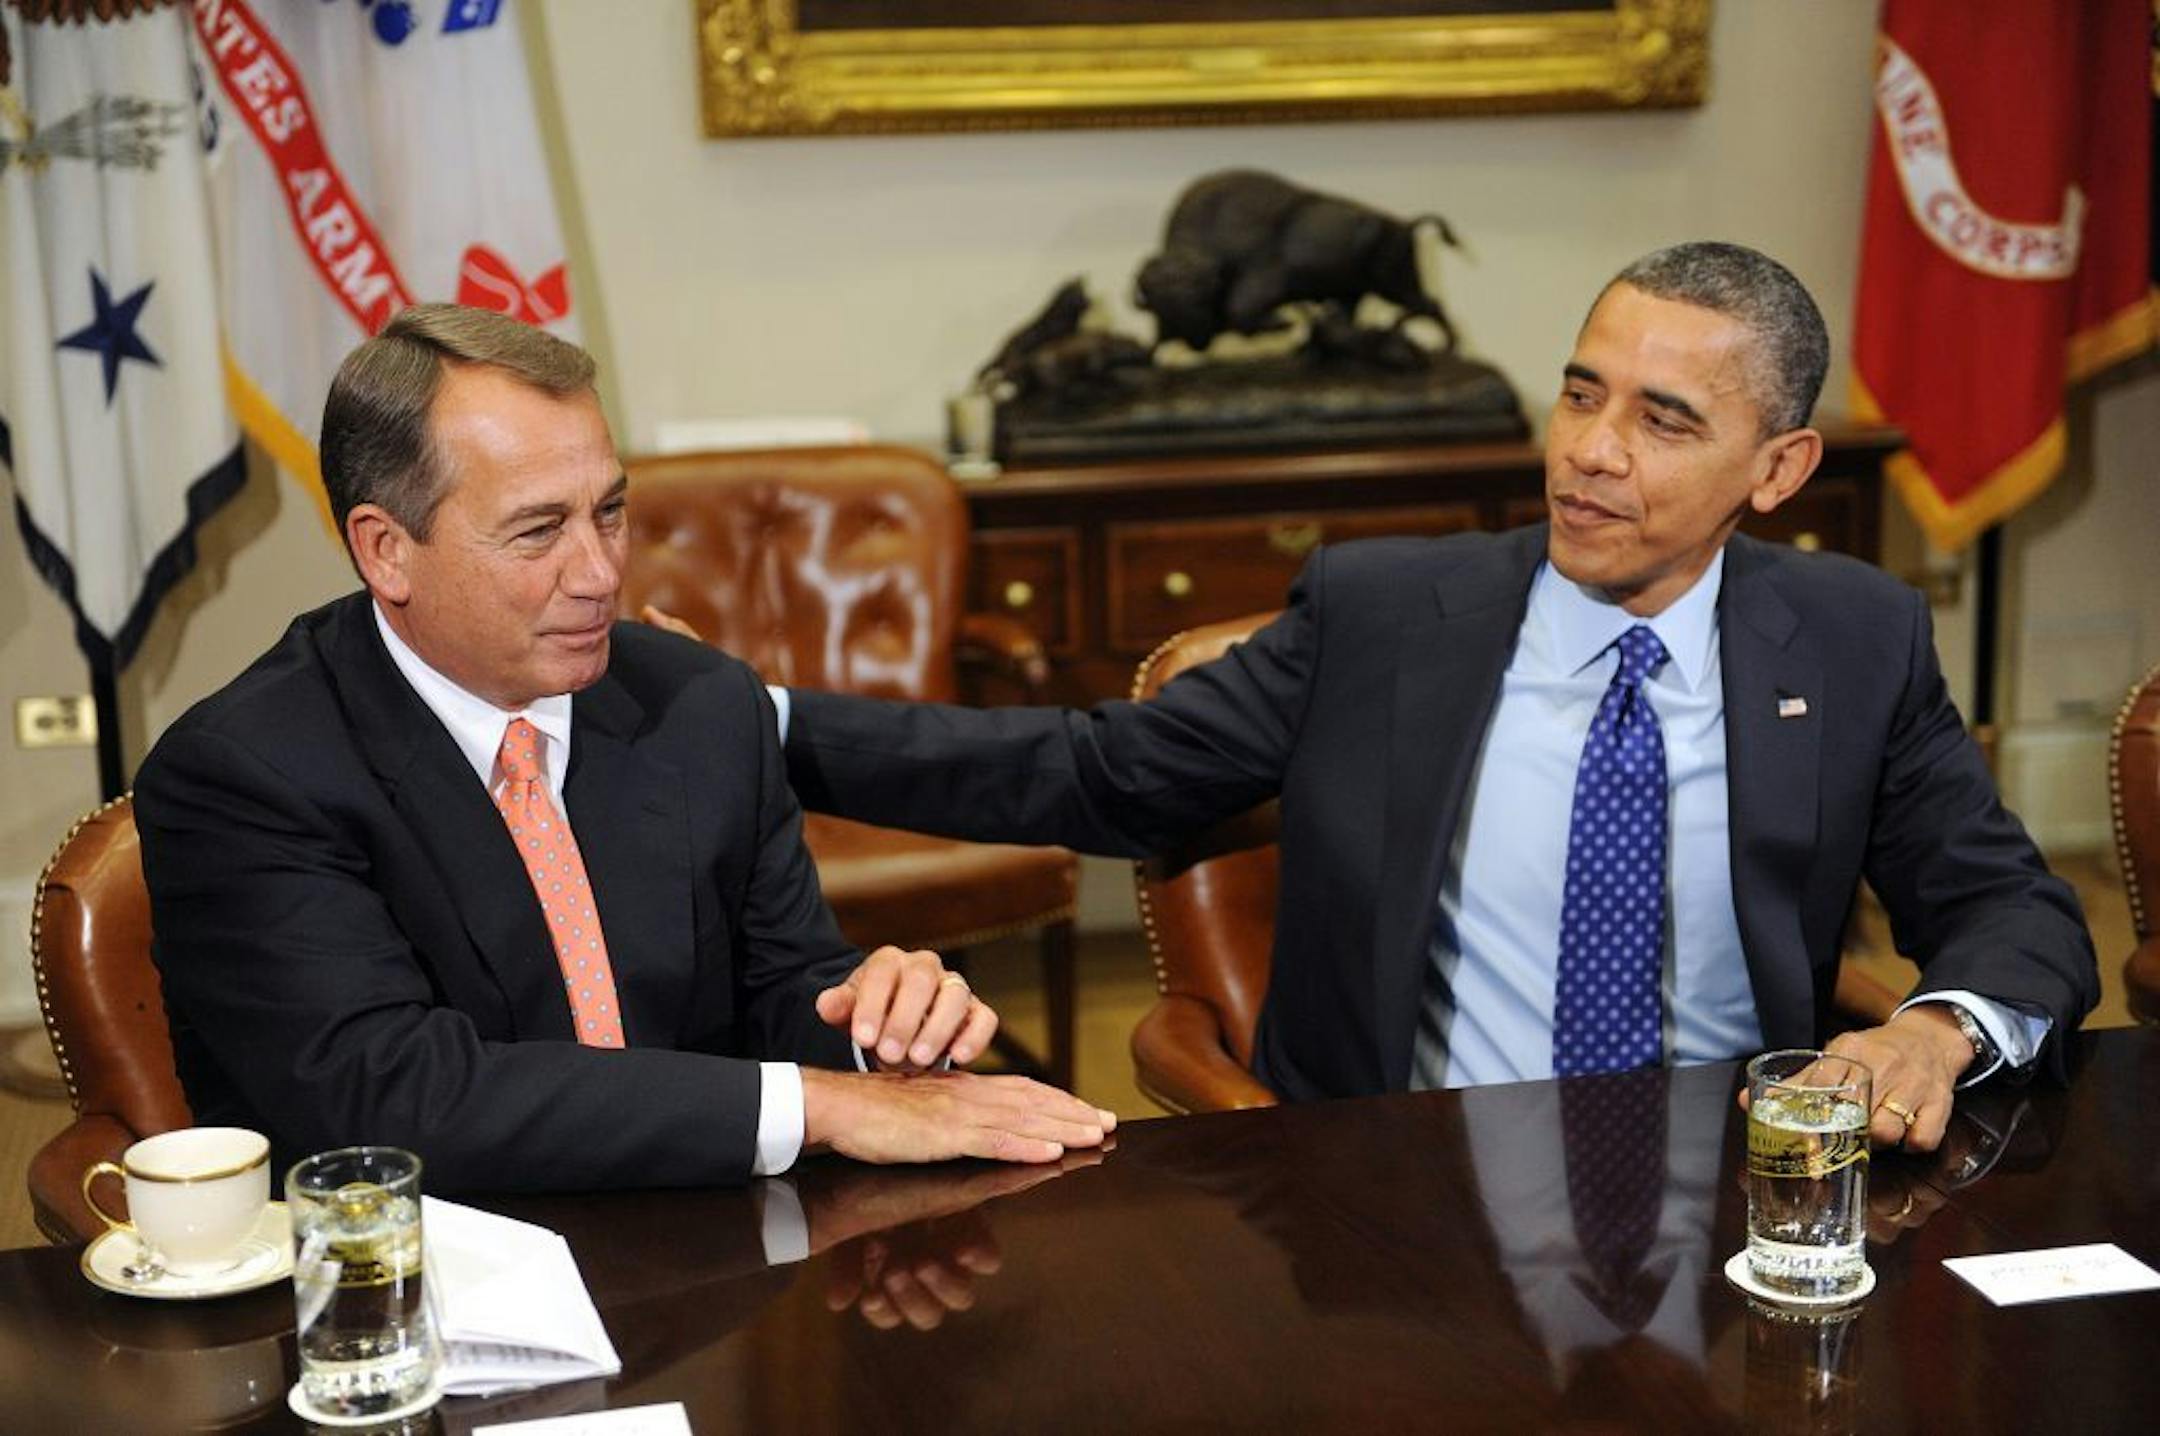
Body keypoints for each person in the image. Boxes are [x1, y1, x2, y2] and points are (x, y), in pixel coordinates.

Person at [776, 242, 2098, 1153]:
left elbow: (2012, 911)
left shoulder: (1853, 639)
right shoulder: (1387, 616)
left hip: (1741, 1196)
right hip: (1408, 1198)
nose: (1588, 452)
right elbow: (1093, 774)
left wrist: (1933, 1032)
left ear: (1780, 467)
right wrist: (763, 723)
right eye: (1581, 394)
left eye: (1664, 421)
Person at [133, 305, 1112, 1194]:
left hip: (705, 1251)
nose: (601, 572)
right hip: (397, 1289)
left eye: (609, 510)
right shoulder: (248, 772)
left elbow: (781, 987)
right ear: (386, 549)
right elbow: (393, 1098)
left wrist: (875, 1030)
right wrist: (822, 1105)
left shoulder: (700, 701)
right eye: (537, 530)